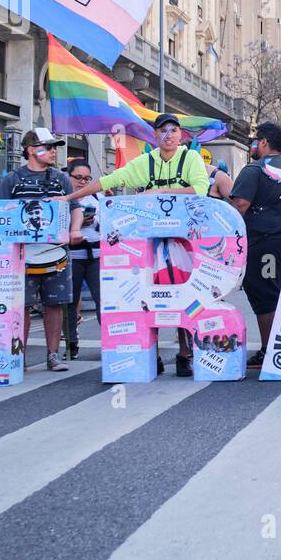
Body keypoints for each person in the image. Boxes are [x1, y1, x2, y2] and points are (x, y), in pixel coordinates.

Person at [62, 114, 211, 376]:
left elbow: (200, 189)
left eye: (174, 130)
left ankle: (185, 352)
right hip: (148, 242)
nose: (169, 135)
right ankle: (150, 352)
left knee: (184, 292)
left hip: (185, 241)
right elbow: (108, 181)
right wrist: (68, 198)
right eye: (163, 130)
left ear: (180, 135)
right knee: (147, 295)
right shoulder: (146, 162)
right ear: (155, 135)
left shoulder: (191, 159)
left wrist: (161, 191)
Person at [0, 128, 82, 373]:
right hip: (22, 254)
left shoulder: (61, 178)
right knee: (20, 304)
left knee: (55, 304)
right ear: (32, 150)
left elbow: (74, 206)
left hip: (56, 252)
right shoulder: (12, 180)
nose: (54, 151)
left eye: (55, 147)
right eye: (47, 146)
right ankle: (18, 355)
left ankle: (53, 354)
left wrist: (74, 230)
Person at [230, 122, 281, 369]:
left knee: (266, 298)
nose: (252, 145)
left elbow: (240, 206)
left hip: (263, 246)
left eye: (255, 140)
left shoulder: (254, 170)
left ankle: (270, 351)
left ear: (263, 142)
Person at [64, 159, 102, 362]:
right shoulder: (65, 198)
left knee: (103, 301)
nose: (82, 182)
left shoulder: (98, 197)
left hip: (97, 256)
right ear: (68, 177)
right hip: (72, 256)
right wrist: (75, 223)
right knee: (69, 302)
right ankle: (71, 345)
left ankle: (110, 342)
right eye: (78, 178)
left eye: (87, 178)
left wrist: (94, 221)